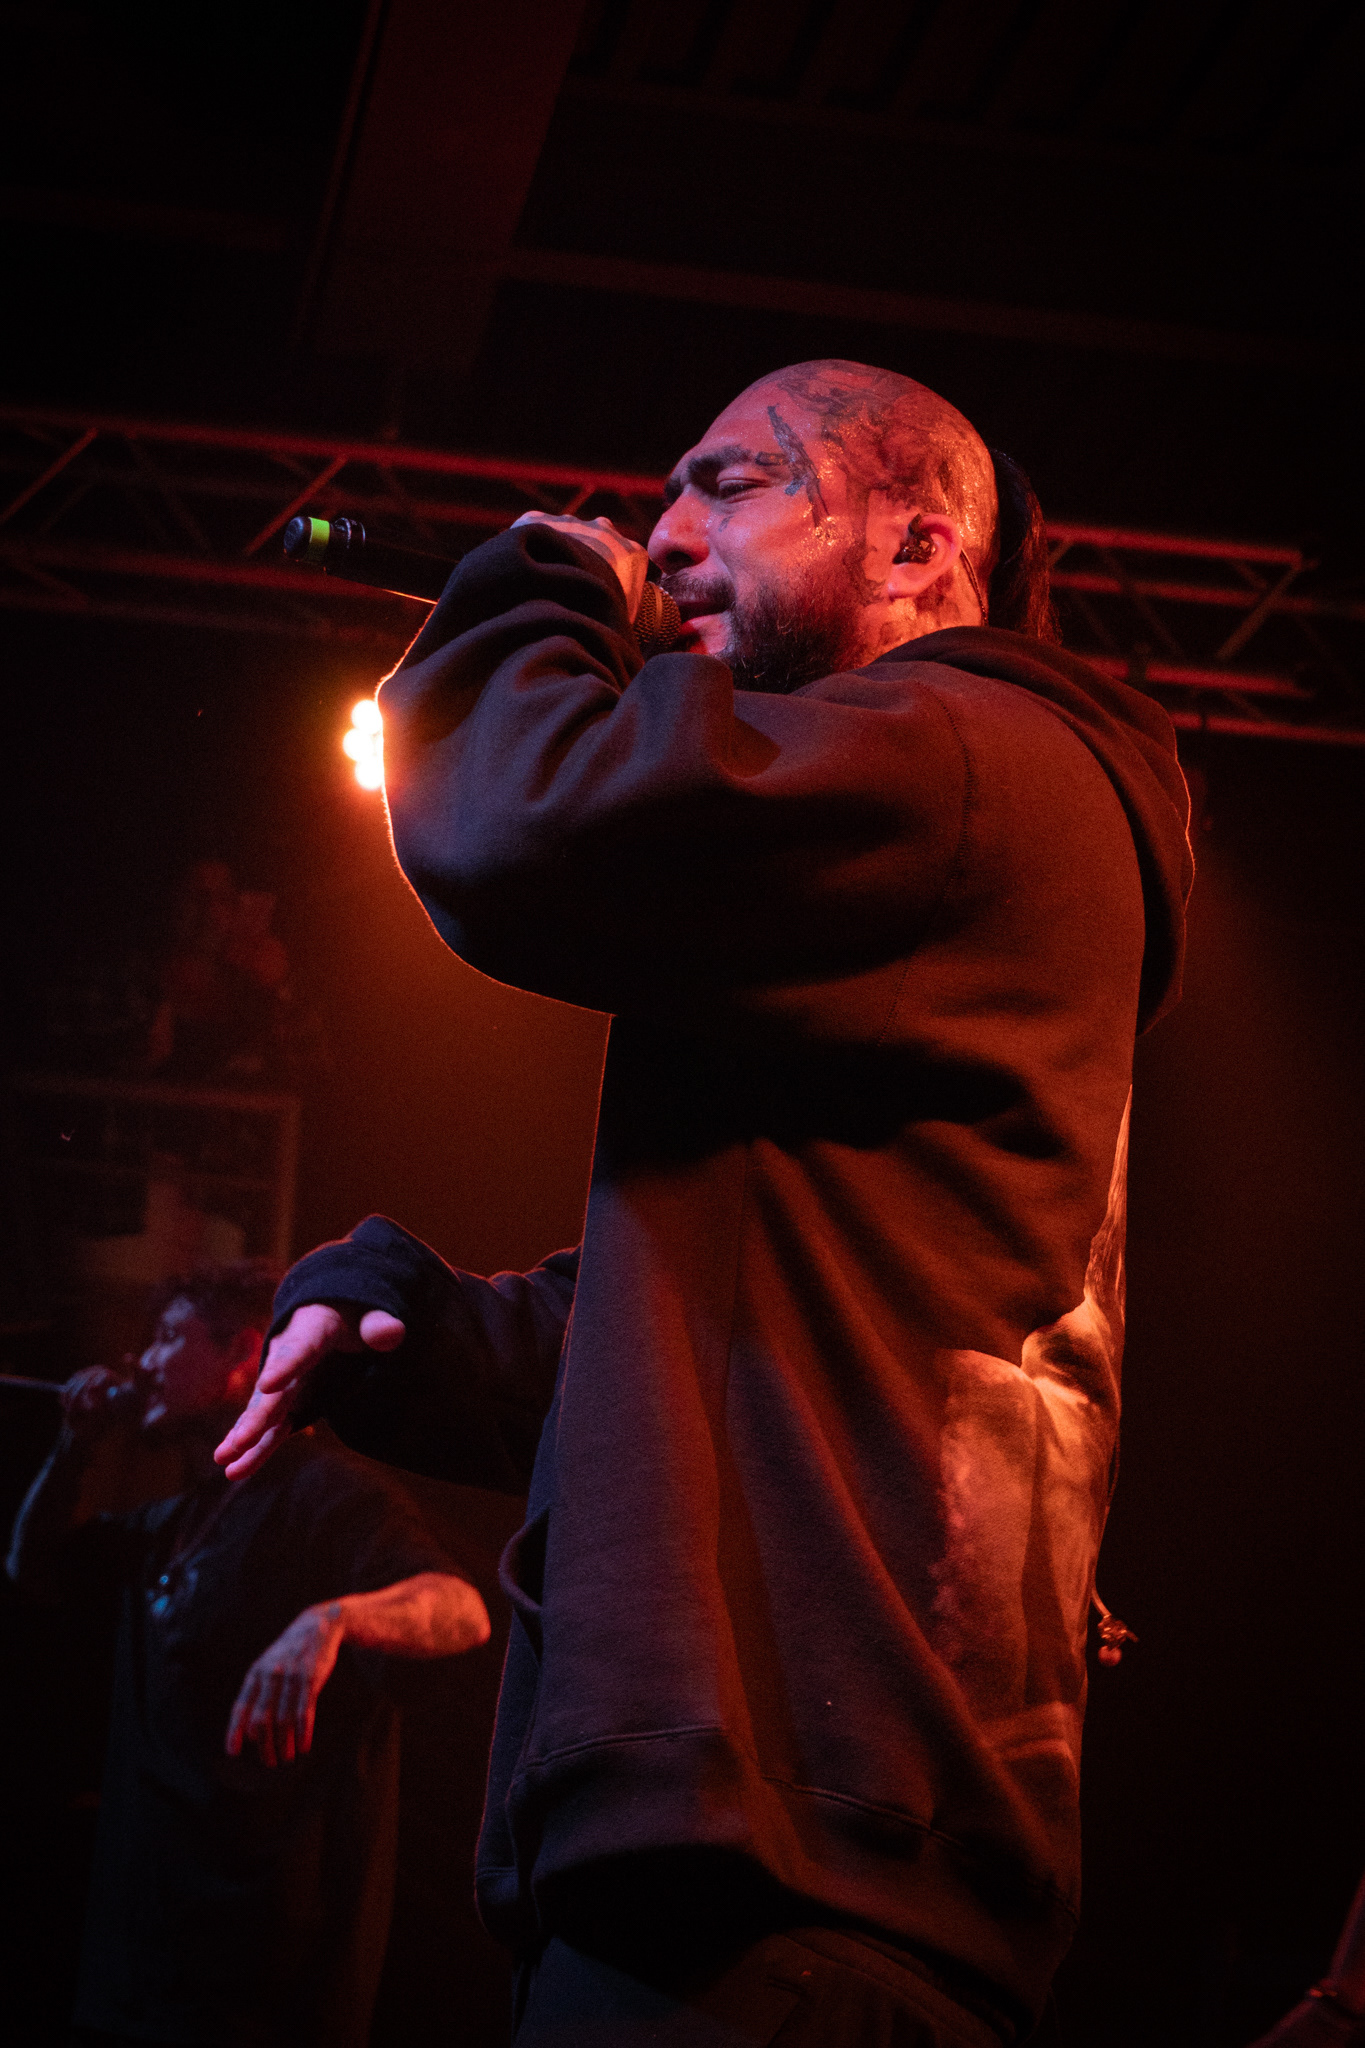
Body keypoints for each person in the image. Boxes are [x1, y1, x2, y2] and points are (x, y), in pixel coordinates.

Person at [216, 360, 1194, 2045]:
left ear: (915, 545)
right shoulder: (915, 852)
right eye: (659, 502)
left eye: (727, 484)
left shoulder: (973, 757)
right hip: (784, 1861)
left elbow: (526, 812)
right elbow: (717, 1319)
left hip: (788, 1872)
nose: (663, 537)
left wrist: (543, 576)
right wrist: (408, 1323)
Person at [7, 1260, 491, 2048]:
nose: (143, 1361)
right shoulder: (173, 1520)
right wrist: (72, 1449)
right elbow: (34, 1568)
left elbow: (461, 1610)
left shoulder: (325, 1493)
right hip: (136, 1973)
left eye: (168, 1338)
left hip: (263, 1990)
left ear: (241, 1354)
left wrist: (329, 1622)